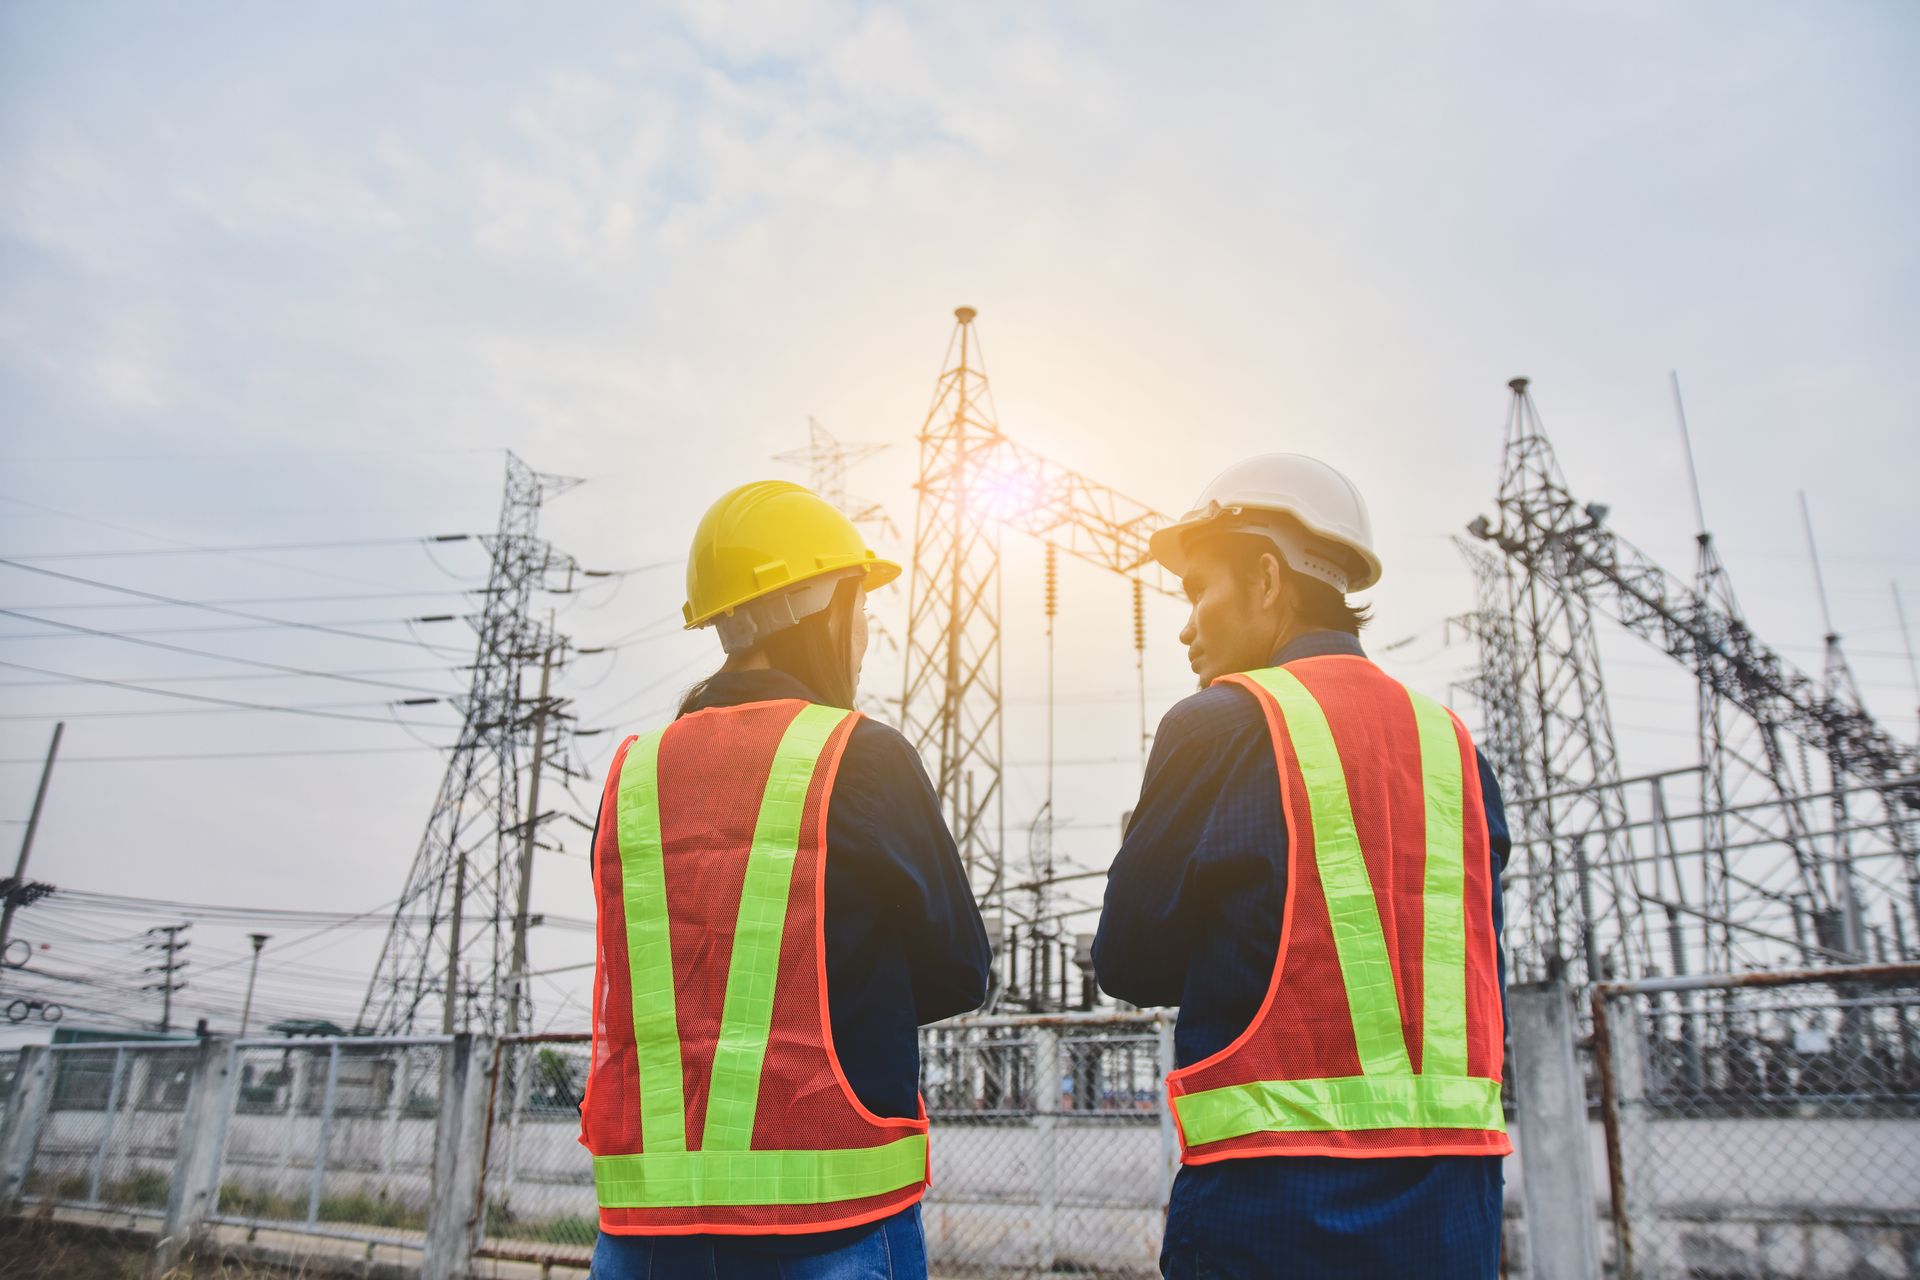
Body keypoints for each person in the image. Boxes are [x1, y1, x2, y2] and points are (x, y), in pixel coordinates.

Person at [1094, 454, 1511, 1279]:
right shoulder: (1456, 751)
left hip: (1274, 1209)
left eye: (1199, 590)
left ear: (1266, 577)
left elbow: (1128, 961)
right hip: (1456, 1212)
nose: (1186, 626)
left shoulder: (1219, 726)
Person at [580, 480, 991, 1279]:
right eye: (859, 609)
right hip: (827, 1222)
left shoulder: (634, 773)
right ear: (816, 610)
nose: (864, 635)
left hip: (645, 1235)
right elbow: (959, 971)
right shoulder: (860, 755)